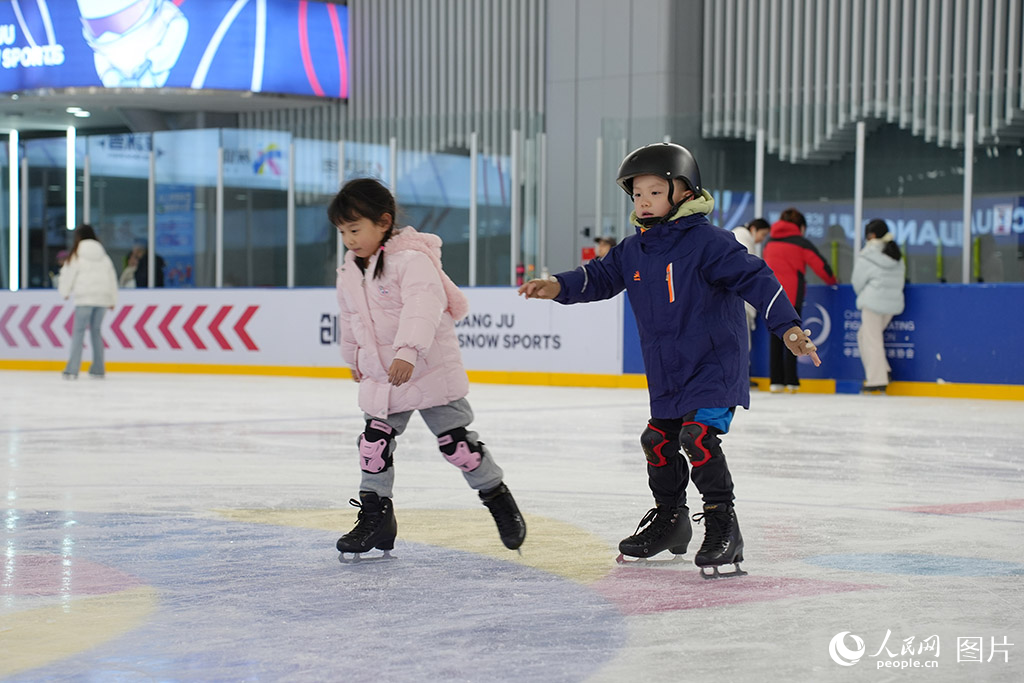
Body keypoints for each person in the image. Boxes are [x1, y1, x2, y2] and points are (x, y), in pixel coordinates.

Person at [517, 143, 820, 578]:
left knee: (697, 438)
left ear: (682, 191)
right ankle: (671, 521)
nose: (643, 200)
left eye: (654, 191)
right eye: (637, 193)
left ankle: (723, 527)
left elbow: (757, 278)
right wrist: (558, 286)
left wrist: (788, 327)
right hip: (668, 373)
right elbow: (599, 277)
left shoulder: (710, 244)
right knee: (657, 442)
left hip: (714, 367)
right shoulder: (633, 249)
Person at [331, 177, 527, 559]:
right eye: (342, 232)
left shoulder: (412, 261)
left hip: (428, 368)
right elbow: (350, 317)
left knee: (458, 447)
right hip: (384, 376)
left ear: (383, 222)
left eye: (355, 229)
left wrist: (407, 351)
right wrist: (353, 357)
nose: (349, 240)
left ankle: (497, 497)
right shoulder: (350, 270)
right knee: (373, 445)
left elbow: (423, 306)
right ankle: (377, 516)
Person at [762, 208, 837, 393]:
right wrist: (833, 282)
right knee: (794, 335)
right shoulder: (801, 243)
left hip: (771, 296)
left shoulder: (769, 243)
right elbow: (821, 266)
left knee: (775, 337)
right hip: (791, 296)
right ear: (801, 227)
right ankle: (791, 381)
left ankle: (776, 381)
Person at [851, 219, 905, 394]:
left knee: (871, 340)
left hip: (873, 302)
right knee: (863, 336)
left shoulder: (867, 253)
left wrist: (864, 293)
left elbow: (857, 281)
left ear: (870, 235)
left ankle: (877, 380)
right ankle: (885, 371)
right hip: (892, 303)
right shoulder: (895, 253)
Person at [58, 224, 118, 379]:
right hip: (102, 299)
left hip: (84, 298)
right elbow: (112, 278)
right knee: (96, 332)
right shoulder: (104, 256)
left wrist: (65, 292)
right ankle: (98, 368)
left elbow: (68, 274)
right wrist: (112, 299)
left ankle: (72, 369)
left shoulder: (77, 254)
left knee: (78, 333)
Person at [731, 218, 771, 351]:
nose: (762, 239)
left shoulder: (741, 237)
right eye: (763, 235)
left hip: (738, 299)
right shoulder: (741, 238)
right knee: (740, 344)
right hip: (738, 300)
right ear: (754, 229)